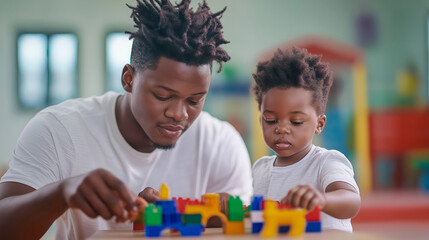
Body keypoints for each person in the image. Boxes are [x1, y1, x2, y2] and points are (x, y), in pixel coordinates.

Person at [0, 0, 252, 239]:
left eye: (194, 100)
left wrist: (183, 217)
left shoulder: (222, 144)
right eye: (163, 96)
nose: (179, 114)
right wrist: (60, 194)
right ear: (128, 79)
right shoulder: (58, 130)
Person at [251, 48, 361, 232]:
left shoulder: (326, 162)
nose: (282, 128)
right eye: (270, 119)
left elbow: (352, 201)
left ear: (319, 124)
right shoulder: (259, 168)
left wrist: (322, 199)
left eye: (296, 121)